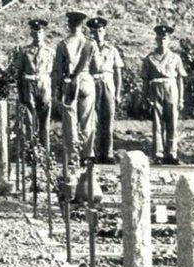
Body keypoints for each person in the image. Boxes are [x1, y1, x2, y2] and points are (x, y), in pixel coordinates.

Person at [52, 11, 99, 164]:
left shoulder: (62, 44)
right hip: (86, 81)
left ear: (69, 24)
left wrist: (58, 88)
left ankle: (72, 156)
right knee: (87, 120)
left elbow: (58, 70)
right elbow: (95, 68)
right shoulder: (90, 43)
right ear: (82, 25)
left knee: (70, 122)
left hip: (69, 82)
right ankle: (87, 154)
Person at [141, 24, 187, 164]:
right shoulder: (149, 58)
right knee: (157, 123)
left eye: (165, 38)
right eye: (160, 38)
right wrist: (144, 97)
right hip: (155, 89)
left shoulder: (175, 57)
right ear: (156, 39)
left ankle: (171, 154)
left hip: (171, 88)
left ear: (169, 40)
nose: (162, 41)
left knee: (172, 122)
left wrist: (181, 99)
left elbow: (180, 79)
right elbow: (145, 80)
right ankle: (158, 154)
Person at [11, 19, 53, 149]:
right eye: (35, 32)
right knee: (29, 120)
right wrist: (20, 92)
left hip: (44, 85)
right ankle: (32, 151)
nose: (38, 35)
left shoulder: (50, 51)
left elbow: (55, 72)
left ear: (44, 33)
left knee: (45, 120)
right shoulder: (24, 51)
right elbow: (19, 72)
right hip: (28, 86)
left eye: (40, 32)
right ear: (31, 34)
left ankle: (45, 151)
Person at [88, 17, 123, 163]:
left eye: (100, 31)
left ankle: (107, 153)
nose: (98, 34)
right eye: (94, 32)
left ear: (105, 32)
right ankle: (93, 153)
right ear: (91, 33)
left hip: (108, 83)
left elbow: (118, 73)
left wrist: (118, 92)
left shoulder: (112, 50)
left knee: (108, 119)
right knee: (92, 120)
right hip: (92, 82)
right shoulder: (87, 48)